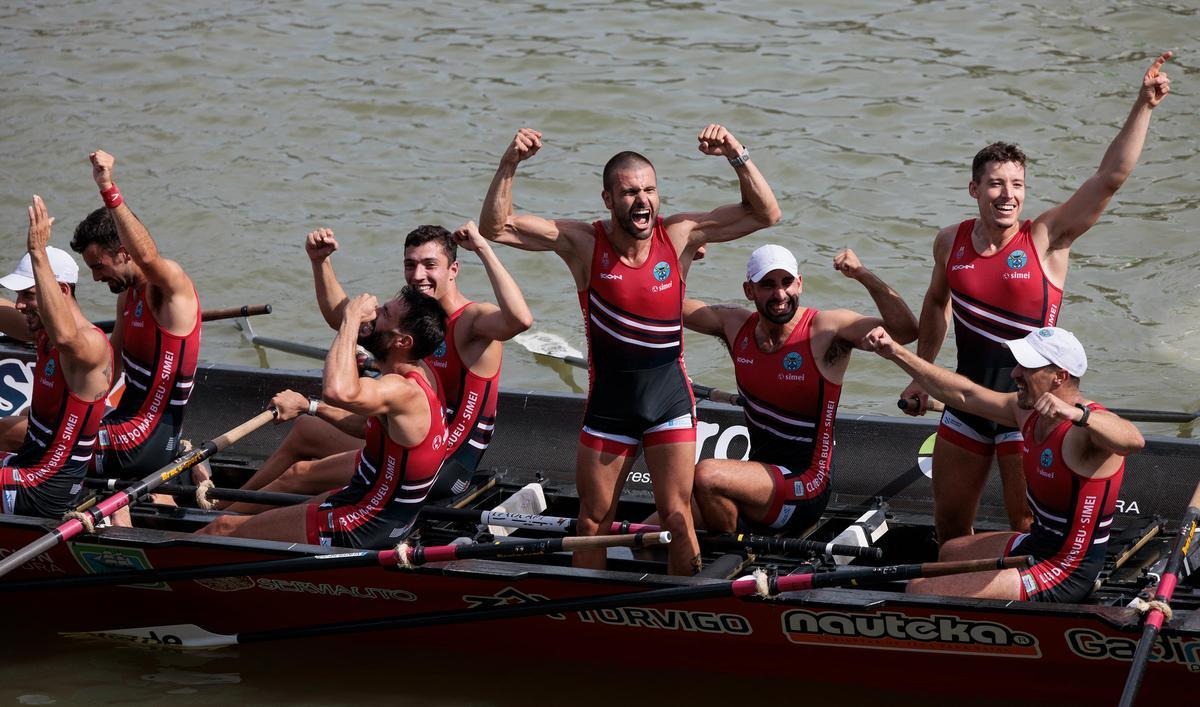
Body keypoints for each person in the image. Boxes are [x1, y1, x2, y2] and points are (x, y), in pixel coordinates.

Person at [479, 125, 782, 575]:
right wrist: (510, 164)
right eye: (629, 192)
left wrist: (735, 153)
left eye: (649, 190)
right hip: (610, 406)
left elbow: (766, 214)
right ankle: (590, 611)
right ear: (607, 199)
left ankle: (687, 613)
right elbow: (496, 227)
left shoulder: (679, 235)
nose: (642, 201)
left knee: (678, 518)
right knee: (592, 520)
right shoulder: (583, 243)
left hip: (669, 400)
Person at [899, 52, 1172, 543]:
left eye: (1018, 185)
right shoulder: (949, 241)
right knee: (949, 528)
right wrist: (923, 376)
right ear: (974, 188)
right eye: (997, 184)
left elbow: (1109, 178)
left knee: (1027, 529)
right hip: (966, 400)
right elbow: (936, 306)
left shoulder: (1046, 238)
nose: (1008, 195)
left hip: (1028, 406)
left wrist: (1143, 107)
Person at [221, 220, 531, 512]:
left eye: (430, 265)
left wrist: (483, 248)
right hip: (410, 435)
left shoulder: (472, 322)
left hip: (445, 463)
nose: (418, 275)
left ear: (454, 270)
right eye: (410, 265)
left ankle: (221, 525)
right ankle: (221, 506)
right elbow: (341, 319)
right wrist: (320, 262)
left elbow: (520, 319)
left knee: (300, 474)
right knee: (306, 430)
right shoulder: (410, 320)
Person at [866, 325, 1143, 601]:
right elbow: (965, 394)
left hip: (1066, 571)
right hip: (1036, 543)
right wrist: (896, 352)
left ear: (1059, 377)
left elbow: (1133, 440)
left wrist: (1079, 415)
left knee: (918, 591)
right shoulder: (1026, 412)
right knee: (951, 551)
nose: (1014, 373)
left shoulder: (1085, 432)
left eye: (1027, 367)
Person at [685, 245, 917, 533]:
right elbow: (663, 306)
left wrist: (863, 275)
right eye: (767, 285)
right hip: (759, 480)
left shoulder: (826, 329)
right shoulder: (734, 324)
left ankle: (733, 555)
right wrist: (682, 258)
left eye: (787, 283)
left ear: (800, 283)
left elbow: (907, 331)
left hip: (806, 486)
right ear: (749, 290)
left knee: (706, 475)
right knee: (659, 526)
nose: (780, 295)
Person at [198, 288, 448, 547]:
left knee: (220, 529)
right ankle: (222, 516)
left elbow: (337, 391)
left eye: (384, 313)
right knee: (276, 503)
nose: (372, 315)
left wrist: (350, 318)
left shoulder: (403, 390)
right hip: (368, 504)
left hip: (364, 522)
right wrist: (309, 406)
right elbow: (364, 426)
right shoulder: (418, 377)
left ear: (402, 342)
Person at [69, 151, 203, 500]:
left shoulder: (169, 288)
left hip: (142, 440)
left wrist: (108, 187)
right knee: (39, 432)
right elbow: (107, 373)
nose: (96, 277)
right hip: (127, 426)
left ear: (124, 252)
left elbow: (148, 258)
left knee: (24, 438)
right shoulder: (127, 298)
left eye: (99, 266)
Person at [1, 196, 112, 518]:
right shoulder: (45, 331)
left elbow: (67, 338)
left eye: (29, 295)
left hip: (42, 489)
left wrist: (38, 252)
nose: (19, 304)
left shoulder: (88, 346)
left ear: (60, 292)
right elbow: (6, 311)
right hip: (27, 468)